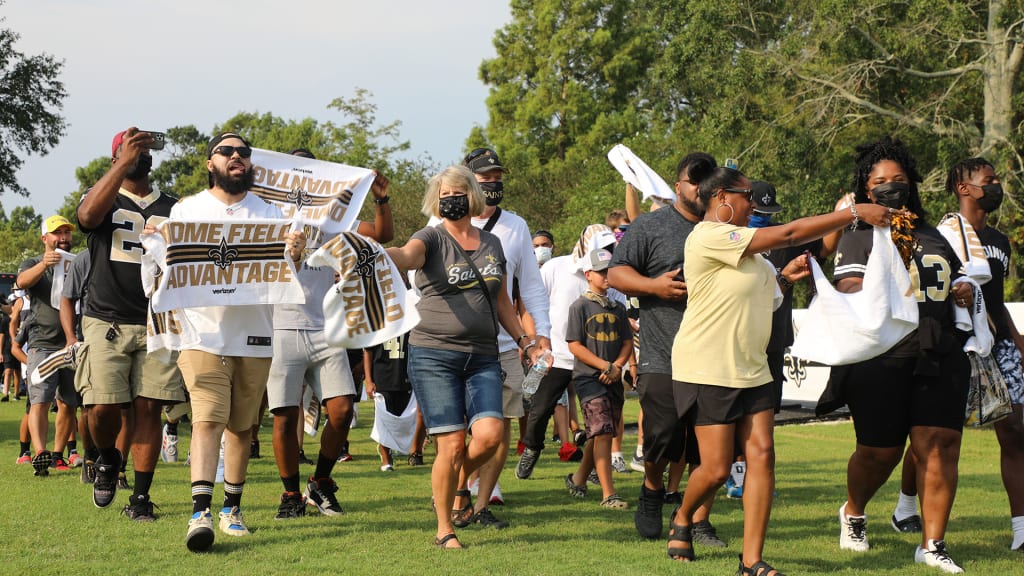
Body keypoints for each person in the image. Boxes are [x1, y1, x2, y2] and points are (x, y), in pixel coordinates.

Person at [667, 164, 894, 576]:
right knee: (717, 468)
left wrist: (785, 280)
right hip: (708, 367)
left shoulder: (755, 258)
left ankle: (751, 560)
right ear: (720, 199)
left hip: (753, 367)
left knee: (763, 455)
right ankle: (683, 515)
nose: (752, 204)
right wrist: (853, 214)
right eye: (746, 196)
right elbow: (789, 234)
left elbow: (768, 301)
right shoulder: (709, 236)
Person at [824, 136, 972, 573]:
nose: (891, 187)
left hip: (940, 351)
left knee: (939, 446)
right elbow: (848, 287)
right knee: (880, 452)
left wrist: (962, 290)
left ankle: (932, 544)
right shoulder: (860, 235)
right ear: (866, 190)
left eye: (899, 180)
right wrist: (880, 286)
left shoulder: (934, 234)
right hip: (883, 356)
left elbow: (954, 281)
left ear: (912, 184)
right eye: (881, 181)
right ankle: (853, 510)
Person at [386, 165, 545, 549]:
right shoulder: (430, 237)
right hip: (434, 354)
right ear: (436, 201)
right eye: (445, 195)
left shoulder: (492, 245)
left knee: (490, 437)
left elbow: (502, 301)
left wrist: (525, 340)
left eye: (458, 192)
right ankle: (445, 529)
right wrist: (379, 253)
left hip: (483, 355)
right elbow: (406, 255)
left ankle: (456, 481)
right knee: (453, 444)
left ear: (473, 194)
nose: (452, 199)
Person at [166, 132, 306, 551]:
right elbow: (164, 265)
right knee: (208, 417)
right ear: (211, 162)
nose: (236, 157)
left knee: (241, 426)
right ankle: (200, 512)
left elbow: (284, 274)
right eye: (226, 151)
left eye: (243, 152)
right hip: (201, 333)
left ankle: (232, 507)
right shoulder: (186, 209)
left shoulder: (272, 213)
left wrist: (294, 254)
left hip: (254, 333)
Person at [428, 148, 552, 528]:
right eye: (485, 177)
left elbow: (529, 288)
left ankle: (480, 504)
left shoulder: (516, 226)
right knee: (454, 435)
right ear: (465, 183)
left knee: (498, 429)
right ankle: (454, 493)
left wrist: (540, 336)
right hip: (450, 345)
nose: (493, 183)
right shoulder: (438, 224)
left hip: (502, 345)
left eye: (498, 176)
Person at [267, 147, 392, 520]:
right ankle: (290, 494)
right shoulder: (268, 218)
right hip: (281, 325)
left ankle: (319, 481)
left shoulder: (332, 220)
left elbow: (382, 235)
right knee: (285, 418)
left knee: (341, 410)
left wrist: (381, 199)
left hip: (324, 328)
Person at [606, 153, 722, 545]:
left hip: (715, 355)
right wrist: (655, 286)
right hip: (662, 351)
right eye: (695, 181)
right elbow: (616, 274)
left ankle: (695, 519)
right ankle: (652, 489)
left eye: (710, 181)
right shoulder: (651, 226)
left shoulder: (723, 226)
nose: (702, 188)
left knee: (710, 443)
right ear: (678, 186)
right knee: (662, 435)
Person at [74, 128, 184, 518]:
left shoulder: (174, 205)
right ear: (114, 157)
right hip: (106, 319)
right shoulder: (105, 195)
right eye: (130, 147)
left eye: (144, 148)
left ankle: (140, 497)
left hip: (156, 319)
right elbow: (87, 216)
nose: (141, 153)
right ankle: (106, 456)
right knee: (101, 408)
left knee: (148, 408)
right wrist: (122, 163)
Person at [939, 157, 1024, 551]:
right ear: (964, 188)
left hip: (999, 346)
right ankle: (905, 508)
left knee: (1016, 432)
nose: (995, 186)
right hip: (955, 344)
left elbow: (996, 301)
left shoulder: (1001, 241)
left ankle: (1021, 531)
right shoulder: (941, 236)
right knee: (937, 437)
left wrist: (1017, 340)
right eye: (988, 180)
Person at [516, 224, 620, 477]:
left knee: (600, 416)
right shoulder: (556, 267)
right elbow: (534, 302)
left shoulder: (613, 275)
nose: (605, 252)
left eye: (609, 247)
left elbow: (618, 310)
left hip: (594, 359)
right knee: (539, 409)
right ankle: (532, 447)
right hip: (557, 355)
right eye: (600, 247)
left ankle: (595, 466)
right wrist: (532, 340)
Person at [563, 248, 633, 508]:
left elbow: (627, 342)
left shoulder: (618, 307)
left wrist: (616, 366)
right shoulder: (579, 306)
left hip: (613, 377)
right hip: (589, 378)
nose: (606, 276)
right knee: (603, 432)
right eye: (602, 272)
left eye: (609, 271)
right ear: (588, 274)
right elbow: (575, 345)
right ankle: (608, 494)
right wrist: (604, 366)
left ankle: (578, 479)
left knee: (602, 431)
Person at [16, 215, 80, 476]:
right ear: (45, 238)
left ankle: (56, 454)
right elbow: (21, 282)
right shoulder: (33, 262)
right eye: (57, 233)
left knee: (69, 403)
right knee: (39, 400)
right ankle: (39, 452)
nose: (63, 238)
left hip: (72, 343)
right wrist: (44, 264)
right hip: (42, 343)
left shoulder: (78, 262)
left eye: (67, 232)